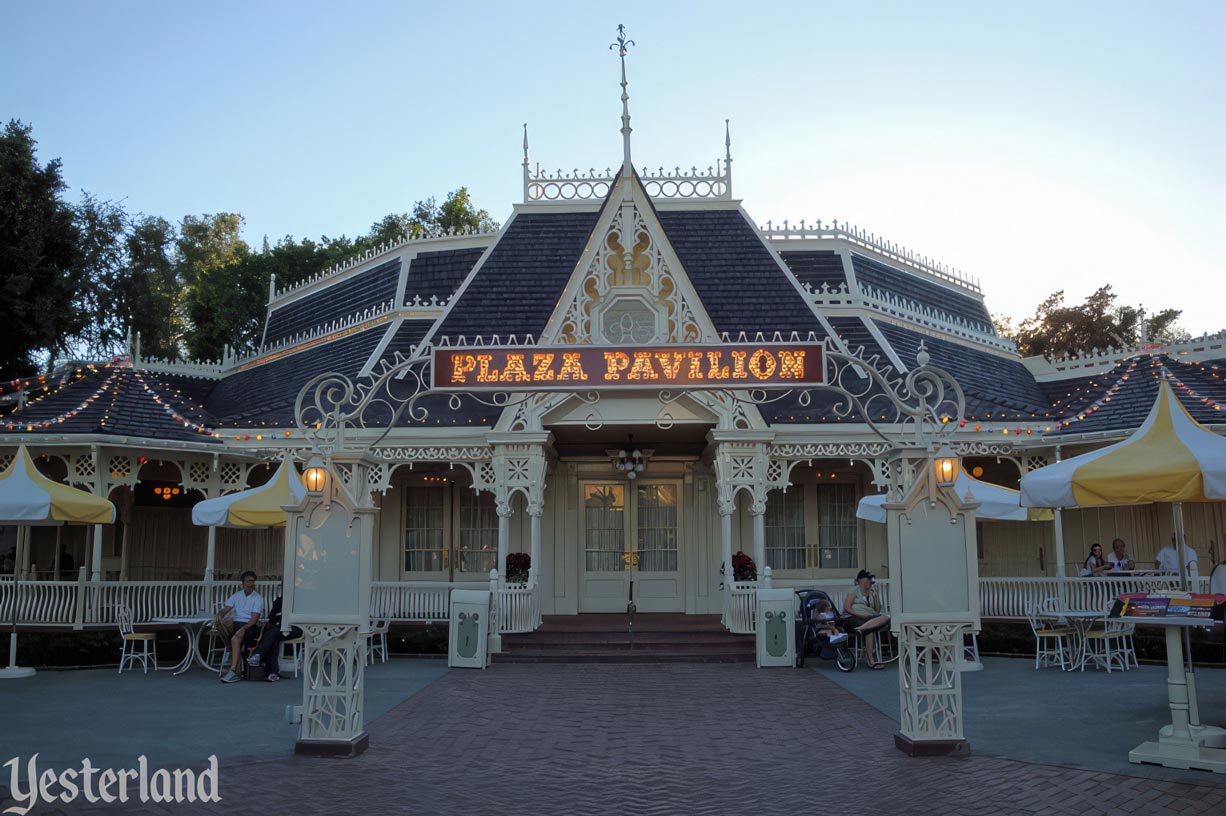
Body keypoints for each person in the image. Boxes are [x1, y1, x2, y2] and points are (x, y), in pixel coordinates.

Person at [215, 570, 265, 683]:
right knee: (219, 626)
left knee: (235, 638)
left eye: (252, 581)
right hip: (236, 624)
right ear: (243, 583)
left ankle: (233, 670)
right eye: (247, 581)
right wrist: (220, 615)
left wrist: (243, 628)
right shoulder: (236, 596)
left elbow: (254, 619)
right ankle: (230, 648)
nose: (250, 583)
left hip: (249, 626)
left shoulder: (258, 598)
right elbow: (226, 609)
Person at [843, 570, 892, 669]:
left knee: (887, 617)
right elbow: (847, 608)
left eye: (869, 580)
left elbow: (877, 610)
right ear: (859, 581)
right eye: (866, 580)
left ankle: (863, 628)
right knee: (870, 630)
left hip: (871, 618)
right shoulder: (855, 591)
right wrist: (861, 616)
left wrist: (876, 596)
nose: (868, 582)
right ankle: (871, 661)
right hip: (854, 617)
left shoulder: (872, 592)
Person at [250, 594, 302, 682]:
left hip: (296, 628)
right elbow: (271, 618)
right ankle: (272, 673)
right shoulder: (280, 600)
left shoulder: (300, 600)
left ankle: (258, 653)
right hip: (279, 629)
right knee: (273, 638)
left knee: (273, 634)